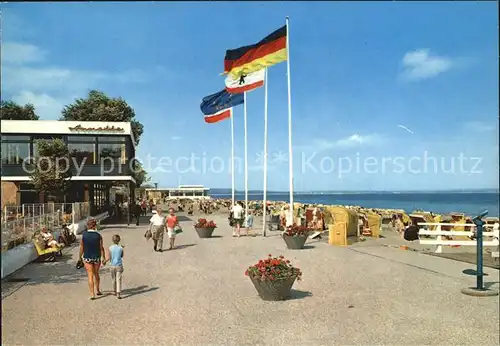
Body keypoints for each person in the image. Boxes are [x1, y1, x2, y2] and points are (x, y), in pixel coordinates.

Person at [79, 218, 105, 300]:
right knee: (96, 274)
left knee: (90, 275)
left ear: (88, 226)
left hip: (87, 257)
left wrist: (79, 257)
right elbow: (101, 248)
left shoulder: (84, 235)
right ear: (95, 226)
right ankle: (98, 290)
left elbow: (82, 247)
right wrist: (103, 257)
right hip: (96, 257)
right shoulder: (98, 236)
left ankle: (92, 294)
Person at [106, 234, 124, 299]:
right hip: (119, 265)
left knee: (113, 279)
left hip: (112, 265)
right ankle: (118, 293)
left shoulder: (110, 248)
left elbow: (109, 257)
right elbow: (122, 256)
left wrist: (105, 261)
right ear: (119, 240)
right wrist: (121, 249)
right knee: (118, 279)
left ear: (112, 240)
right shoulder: (121, 248)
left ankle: (114, 291)